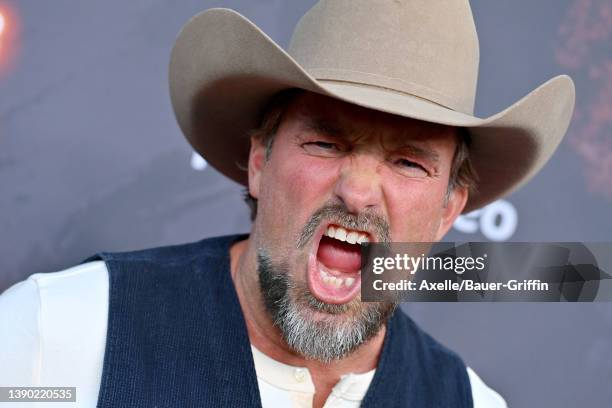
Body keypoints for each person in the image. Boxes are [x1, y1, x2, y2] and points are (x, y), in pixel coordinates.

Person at [0, 1, 575, 407]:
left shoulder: (467, 403)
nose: (357, 190)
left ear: (450, 208)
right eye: (325, 143)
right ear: (258, 161)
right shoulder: (56, 338)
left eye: (407, 162)